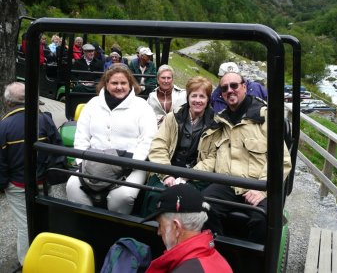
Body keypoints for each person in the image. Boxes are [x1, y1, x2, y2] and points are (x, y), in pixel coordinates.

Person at [202, 71, 291, 244]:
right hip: (227, 183)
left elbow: (282, 159)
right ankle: (218, 253)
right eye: (225, 88)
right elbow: (208, 155)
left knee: (263, 219)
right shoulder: (221, 121)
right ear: (221, 94)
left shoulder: (264, 117)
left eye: (234, 85)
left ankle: (254, 262)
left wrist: (263, 188)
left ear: (244, 87)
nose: (230, 90)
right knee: (202, 205)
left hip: (257, 183)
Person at [66, 64, 158, 214]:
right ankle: (86, 219)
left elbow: (148, 139)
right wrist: (82, 162)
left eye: (123, 83)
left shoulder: (142, 107)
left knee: (122, 196)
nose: (119, 87)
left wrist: (133, 162)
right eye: (114, 83)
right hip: (93, 161)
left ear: (130, 84)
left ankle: (116, 225)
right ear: (106, 84)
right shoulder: (93, 104)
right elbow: (81, 136)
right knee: (72, 186)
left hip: (130, 164)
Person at [0, 82, 63, 267]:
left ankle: (28, 264)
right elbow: (57, 147)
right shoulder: (43, 119)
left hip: (17, 185)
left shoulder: (4, 126)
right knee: (42, 217)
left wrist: (3, 185)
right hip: (42, 180)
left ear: (8, 102)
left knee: (24, 224)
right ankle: (45, 254)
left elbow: (1, 163)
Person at [142, 76, 219, 216]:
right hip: (166, 168)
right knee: (156, 196)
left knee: (187, 201)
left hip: (196, 175)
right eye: (193, 95)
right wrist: (167, 175)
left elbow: (213, 157)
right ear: (188, 97)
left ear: (208, 99)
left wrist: (186, 177)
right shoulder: (173, 117)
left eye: (202, 96)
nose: (197, 100)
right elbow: (159, 145)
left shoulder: (215, 124)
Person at [142, 184, 233, 273]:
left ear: (176, 227)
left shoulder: (185, 268)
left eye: (160, 225)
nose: (158, 232)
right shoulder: (218, 258)